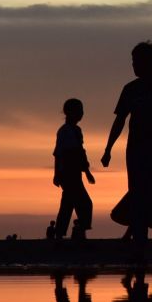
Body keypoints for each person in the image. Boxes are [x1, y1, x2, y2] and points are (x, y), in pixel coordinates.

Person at [100, 42, 152, 258]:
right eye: (133, 61)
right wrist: (108, 149)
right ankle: (139, 244)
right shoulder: (130, 89)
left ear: (151, 62)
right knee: (138, 195)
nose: (134, 65)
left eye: (137, 61)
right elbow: (120, 121)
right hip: (136, 151)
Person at [52, 98, 95, 241]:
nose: (82, 114)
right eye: (79, 111)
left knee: (69, 203)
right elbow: (59, 154)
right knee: (84, 203)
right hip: (68, 172)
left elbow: (80, 152)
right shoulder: (64, 131)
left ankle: (63, 233)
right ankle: (76, 230)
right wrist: (57, 174)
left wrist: (87, 172)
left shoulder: (76, 130)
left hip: (74, 172)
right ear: (70, 112)